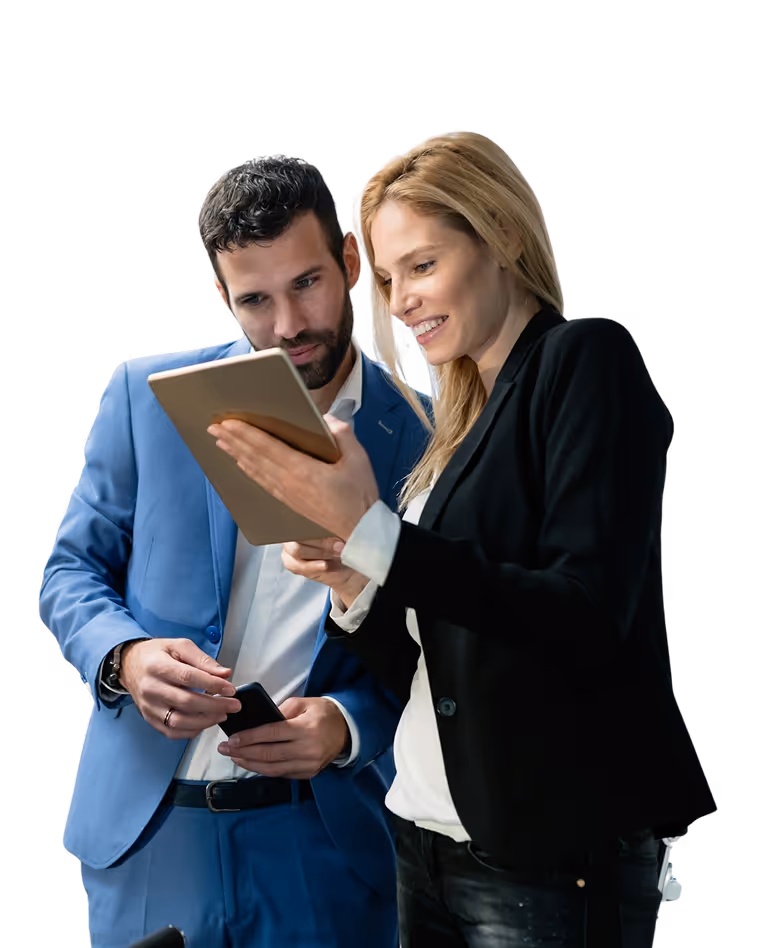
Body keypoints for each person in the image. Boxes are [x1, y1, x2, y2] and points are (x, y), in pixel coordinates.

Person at [209, 131, 718, 947]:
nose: (400, 302)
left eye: (422, 265)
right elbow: (438, 664)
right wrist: (355, 583)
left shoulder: (585, 359)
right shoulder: (455, 420)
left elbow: (583, 615)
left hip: (547, 853)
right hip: (424, 831)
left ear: (504, 237)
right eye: (383, 276)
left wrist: (372, 532)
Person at [39, 154, 434, 948]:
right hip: (150, 842)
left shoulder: (433, 435)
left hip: (325, 847)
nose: (288, 325)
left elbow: (455, 651)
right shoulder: (142, 397)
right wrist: (125, 656)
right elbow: (68, 573)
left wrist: (348, 726)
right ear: (222, 294)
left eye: (307, 284)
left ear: (352, 261)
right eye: (255, 299)